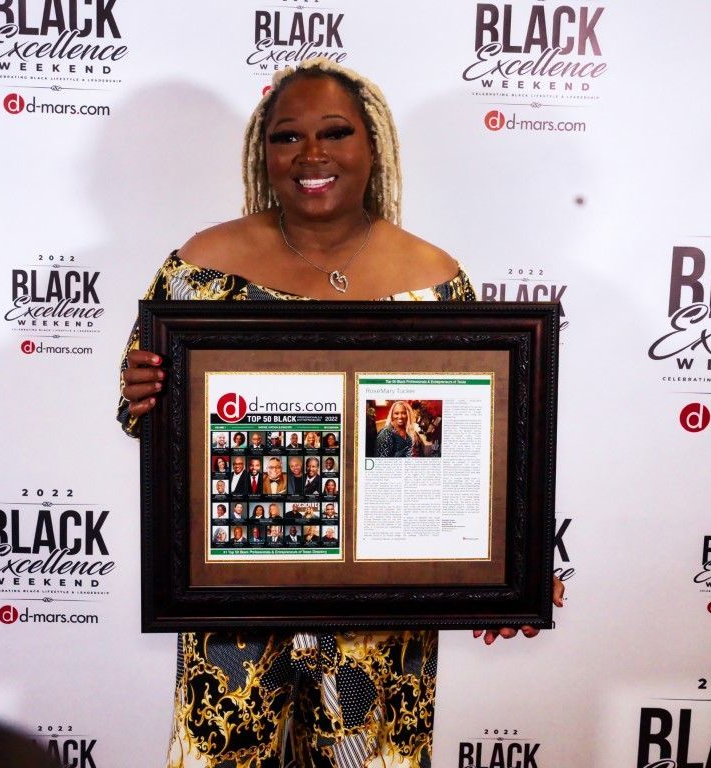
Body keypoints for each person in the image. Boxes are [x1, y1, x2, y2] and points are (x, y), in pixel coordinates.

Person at [118, 58, 559, 768]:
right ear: (263, 153)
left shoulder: (438, 284)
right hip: (236, 603)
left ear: (373, 146)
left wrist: (513, 562)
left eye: (335, 133)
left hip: (381, 617)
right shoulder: (200, 268)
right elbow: (145, 411)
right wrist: (145, 391)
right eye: (287, 137)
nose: (312, 155)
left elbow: (478, 453)